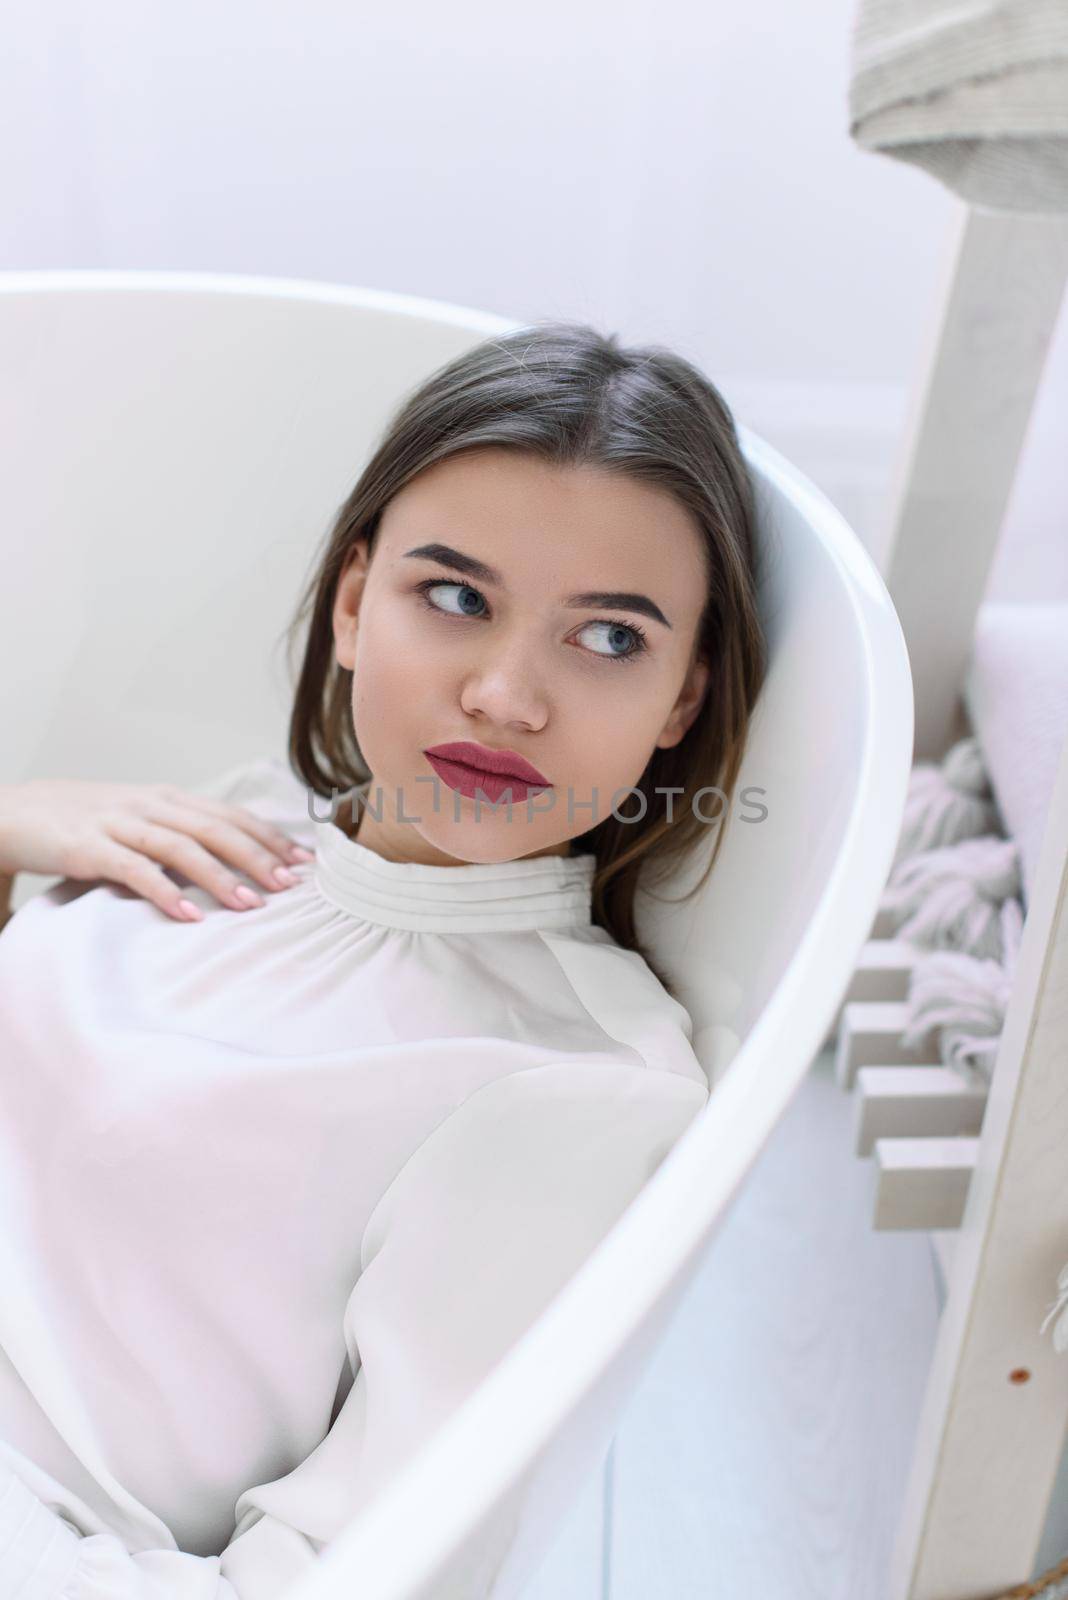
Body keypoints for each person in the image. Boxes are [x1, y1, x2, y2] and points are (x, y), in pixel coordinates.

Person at [0, 320, 766, 1598]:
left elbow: (362, 1561)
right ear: (356, 605)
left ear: (683, 700)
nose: (506, 696)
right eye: (455, 598)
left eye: (612, 637)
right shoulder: (234, 822)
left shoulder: (572, 1084)